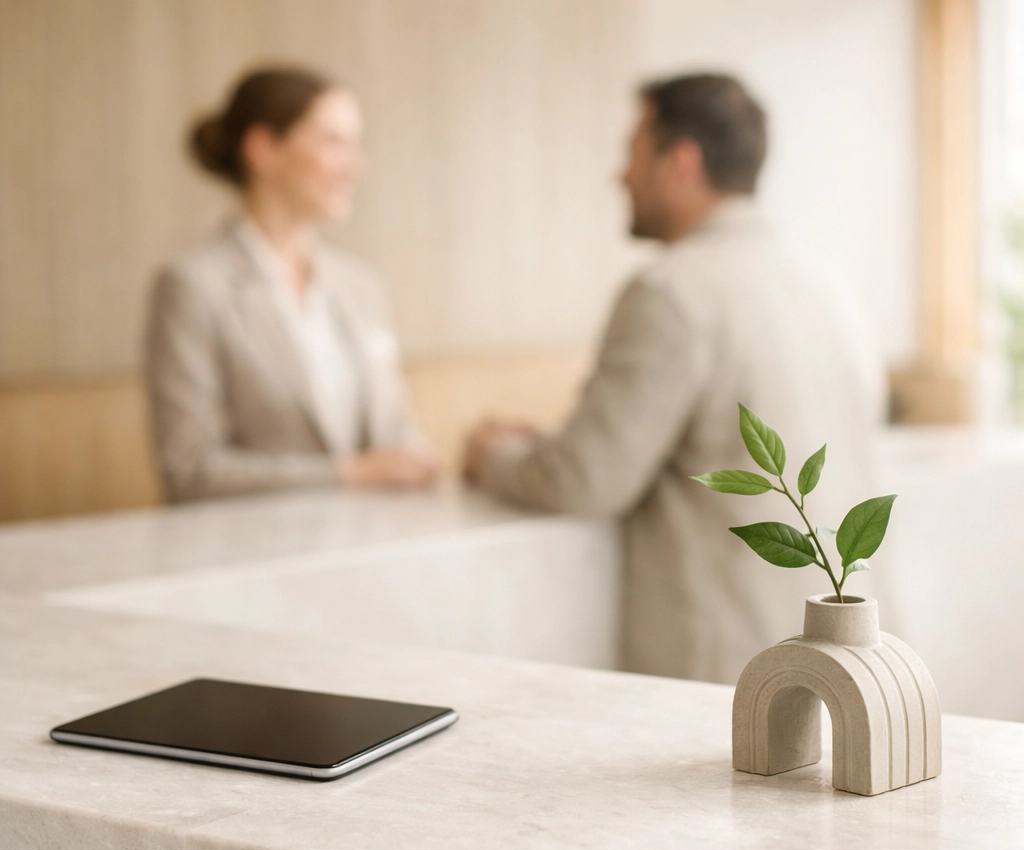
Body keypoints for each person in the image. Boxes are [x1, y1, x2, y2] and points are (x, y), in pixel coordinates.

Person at [464, 73, 884, 686]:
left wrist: (492, 456)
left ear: (681, 162)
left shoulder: (671, 291)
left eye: (632, 153)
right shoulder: (826, 284)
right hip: (849, 656)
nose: (620, 177)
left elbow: (585, 479)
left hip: (734, 670)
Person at [146, 67, 436, 502]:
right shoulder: (192, 288)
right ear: (264, 150)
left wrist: (415, 458)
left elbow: (392, 427)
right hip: (254, 555)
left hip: (370, 548)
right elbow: (190, 469)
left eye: (356, 145)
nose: (355, 165)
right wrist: (346, 475)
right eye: (333, 142)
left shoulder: (361, 286)